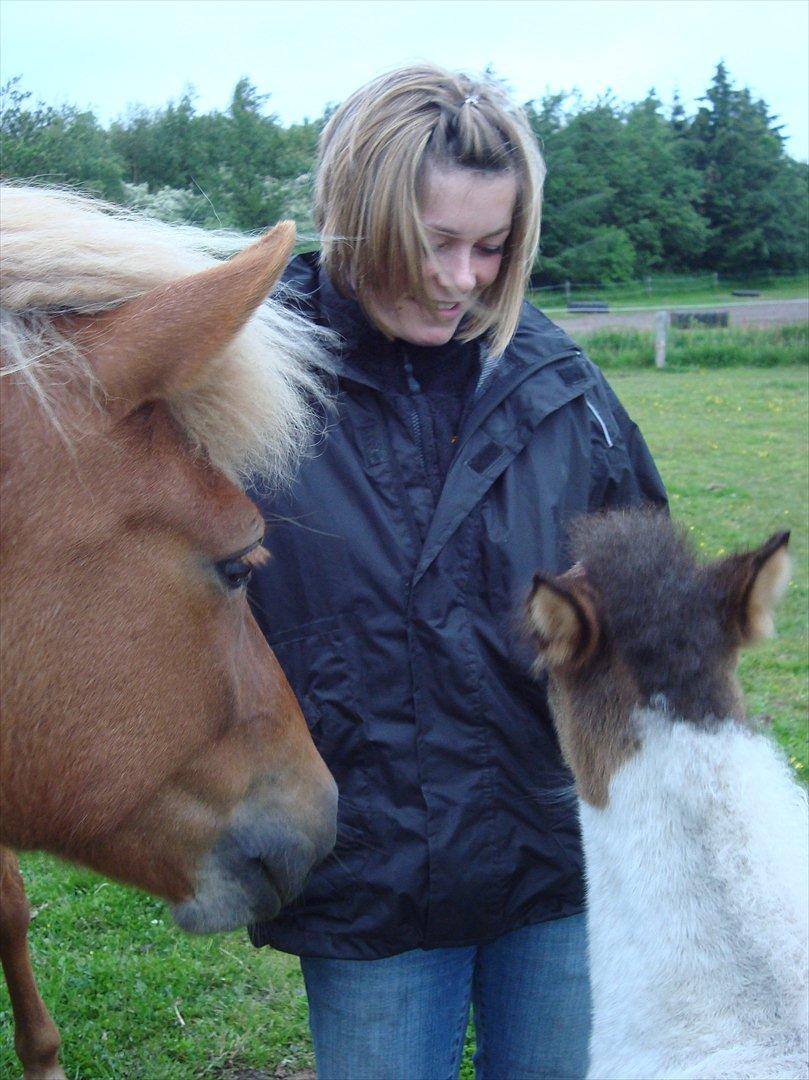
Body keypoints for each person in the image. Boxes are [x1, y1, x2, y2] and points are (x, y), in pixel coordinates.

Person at [247, 64, 666, 1080]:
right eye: (435, 242)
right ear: (353, 214)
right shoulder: (245, 387)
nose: (465, 278)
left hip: (558, 865)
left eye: (493, 246)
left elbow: (654, 622)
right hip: (370, 876)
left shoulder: (566, 392)